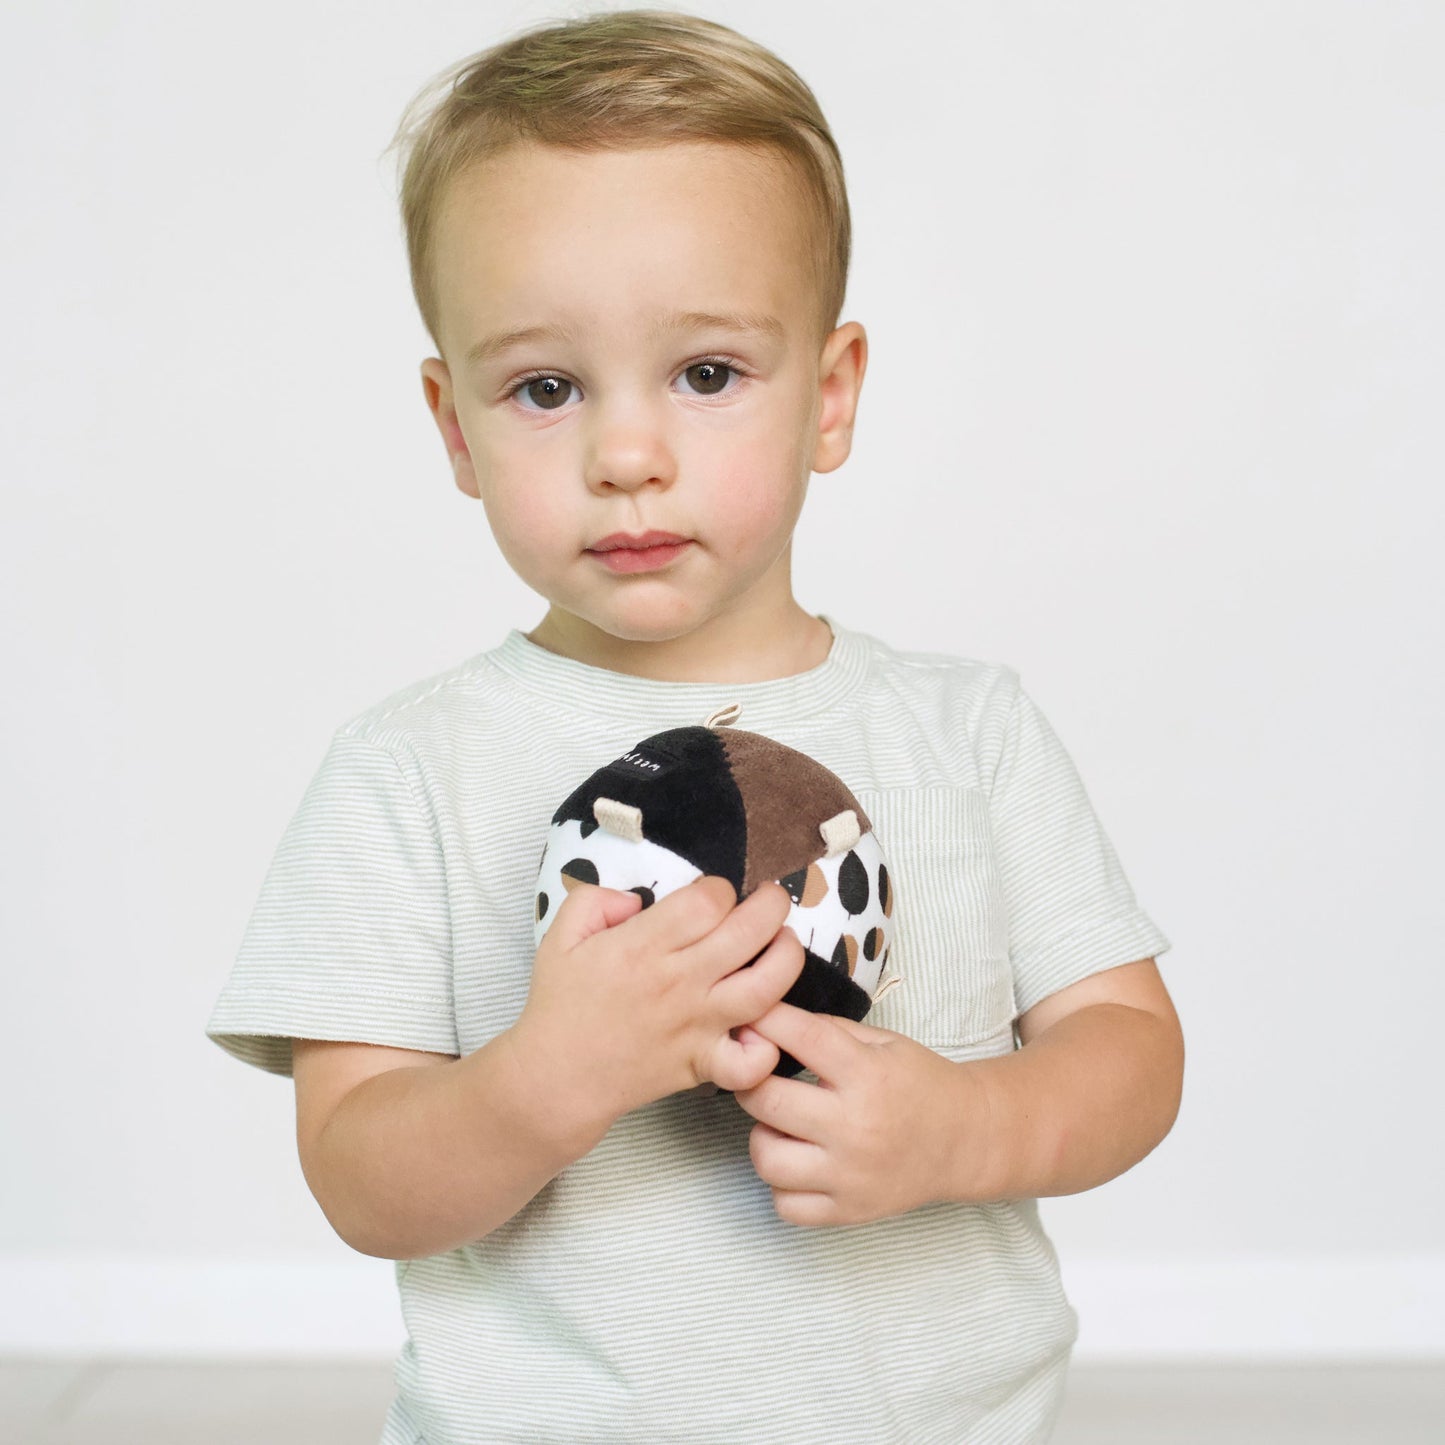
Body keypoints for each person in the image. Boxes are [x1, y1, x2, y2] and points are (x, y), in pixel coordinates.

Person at [205, 9, 1183, 1442]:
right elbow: (361, 1175)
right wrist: (549, 1078)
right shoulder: (404, 769)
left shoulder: (968, 729)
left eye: (706, 373)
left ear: (829, 396)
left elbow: (1128, 1048)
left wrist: (970, 1126)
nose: (626, 454)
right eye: (545, 388)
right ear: (455, 426)